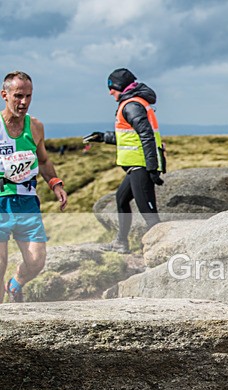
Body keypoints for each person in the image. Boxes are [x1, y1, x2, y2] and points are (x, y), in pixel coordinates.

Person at [0, 71, 68, 302]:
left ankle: (15, 284)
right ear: (4, 95)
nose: (24, 102)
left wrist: (55, 183)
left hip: (27, 201)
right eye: (18, 96)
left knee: (36, 261)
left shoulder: (36, 126)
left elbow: (44, 160)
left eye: (28, 96)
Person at [83, 68, 165, 253]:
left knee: (149, 214)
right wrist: (103, 137)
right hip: (136, 166)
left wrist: (152, 168)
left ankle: (163, 250)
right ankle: (121, 242)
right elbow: (127, 137)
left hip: (141, 165)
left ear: (120, 86)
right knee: (121, 199)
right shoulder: (130, 104)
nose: (110, 92)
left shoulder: (131, 105)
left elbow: (147, 136)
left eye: (111, 87)